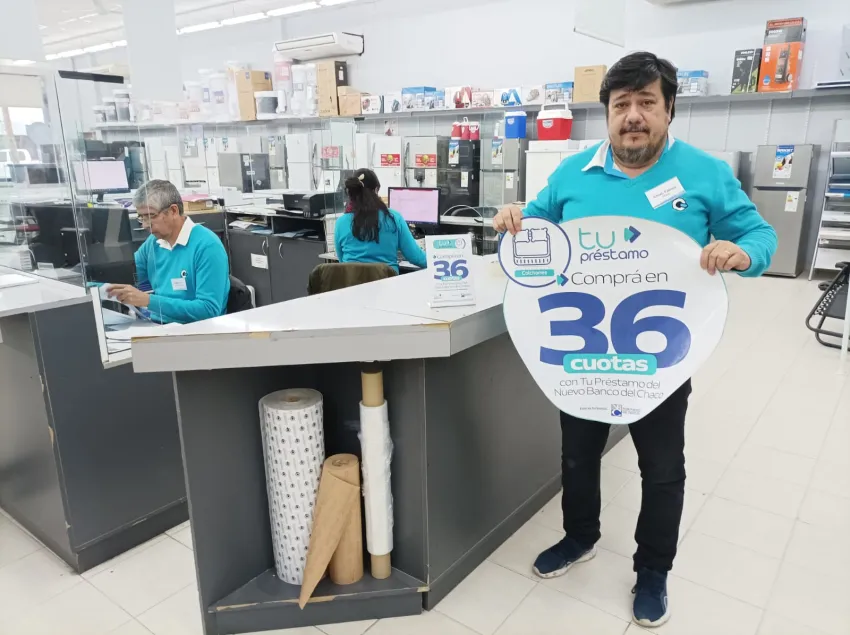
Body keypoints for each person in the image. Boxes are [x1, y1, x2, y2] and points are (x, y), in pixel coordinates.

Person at [493, 52, 777, 628]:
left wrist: (743, 252)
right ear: (607, 114)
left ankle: (653, 569)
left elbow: (759, 232)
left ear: (669, 110)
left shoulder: (703, 173)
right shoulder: (573, 174)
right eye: (621, 104)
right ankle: (580, 537)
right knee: (578, 455)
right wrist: (515, 219)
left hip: (660, 357)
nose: (633, 116)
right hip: (580, 353)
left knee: (662, 467)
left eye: (647, 102)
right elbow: (537, 228)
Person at [107, 179, 230, 324]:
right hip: (159, 325)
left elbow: (208, 310)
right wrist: (93, 281)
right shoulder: (153, 243)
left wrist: (148, 301)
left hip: (196, 329)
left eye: (151, 216)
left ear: (173, 211)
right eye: (142, 217)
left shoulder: (207, 246)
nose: (145, 225)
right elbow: (125, 275)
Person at [334, 168, 427, 272]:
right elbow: (416, 257)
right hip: (387, 280)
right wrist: (438, 260)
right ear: (376, 190)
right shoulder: (394, 218)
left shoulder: (341, 223)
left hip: (351, 280)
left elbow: (341, 260)